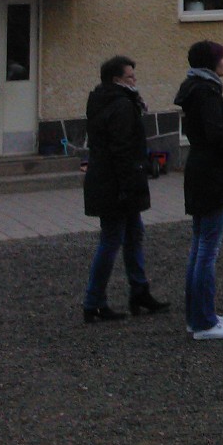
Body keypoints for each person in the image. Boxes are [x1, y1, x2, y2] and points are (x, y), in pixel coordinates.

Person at [82, 55, 168, 323]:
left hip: (112, 181)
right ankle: (94, 302)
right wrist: (130, 184)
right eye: (130, 76)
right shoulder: (121, 105)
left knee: (132, 234)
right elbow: (122, 149)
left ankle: (139, 291)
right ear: (117, 79)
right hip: (116, 184)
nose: (135, 80)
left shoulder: (104, 100)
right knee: (113, 240)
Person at [174, 40, 223, 341]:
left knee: (200, 245)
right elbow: (217, 135)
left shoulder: (196, 90)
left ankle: (198, 315)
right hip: (212, 173)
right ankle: (204, 321)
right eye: (221, 58)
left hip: (200, 170)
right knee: (207, 249)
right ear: (210, 63)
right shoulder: (207, 93)